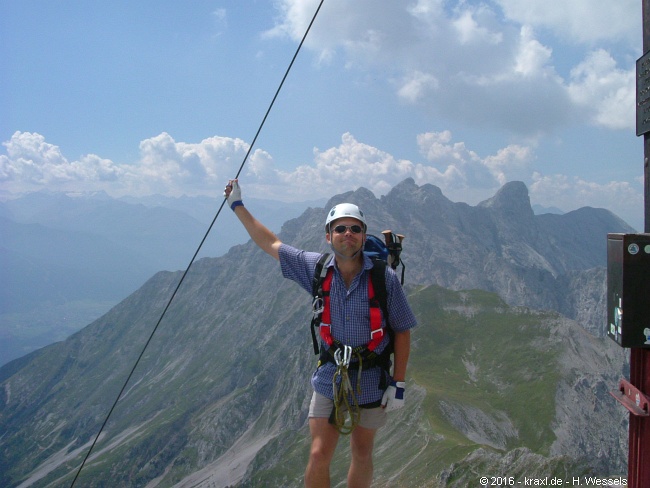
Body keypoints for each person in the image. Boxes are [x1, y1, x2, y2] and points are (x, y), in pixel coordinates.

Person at [224, 179, 417, 488]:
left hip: (372, 377)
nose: (348, 235)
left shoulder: (384, 278)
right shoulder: (316, 268)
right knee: (318, 454)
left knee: (362, 452)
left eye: (355, 229)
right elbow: (271, 243)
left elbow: (402, 330)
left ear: (363, 236)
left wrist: (399, 383)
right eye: (340, 229)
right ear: (328, 236)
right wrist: (237, 206)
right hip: (331, 375)